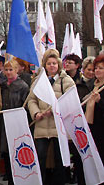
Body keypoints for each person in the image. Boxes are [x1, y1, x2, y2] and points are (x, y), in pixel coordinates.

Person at [28, 49, 75, 185]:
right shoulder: (38, 80)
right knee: (40, 158)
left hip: (58, 128)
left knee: (59, 159)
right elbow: (31, 100)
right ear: (45, 65)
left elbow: (70, 101)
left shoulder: (66, 80)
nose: (52, 66)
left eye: (54, 63)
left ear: (59, 64)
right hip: (42, 126)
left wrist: (55, 111)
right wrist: (36, 113)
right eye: (49, 63)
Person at [0, 59, 29, 184]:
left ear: (17, 70)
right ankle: (9, 178)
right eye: (6, 70)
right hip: (4, 123)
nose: (8, 72)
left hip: (17, 123)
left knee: (16, 151)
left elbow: (25, 106)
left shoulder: (22, 86)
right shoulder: (3, 86)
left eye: (11, 69)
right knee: (6, 152)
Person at [85, 54, 104, 163]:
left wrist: (99, 101)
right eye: (95, 68)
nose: (97, 71)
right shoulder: (92, 85)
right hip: (92, 126)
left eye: (100, 68)